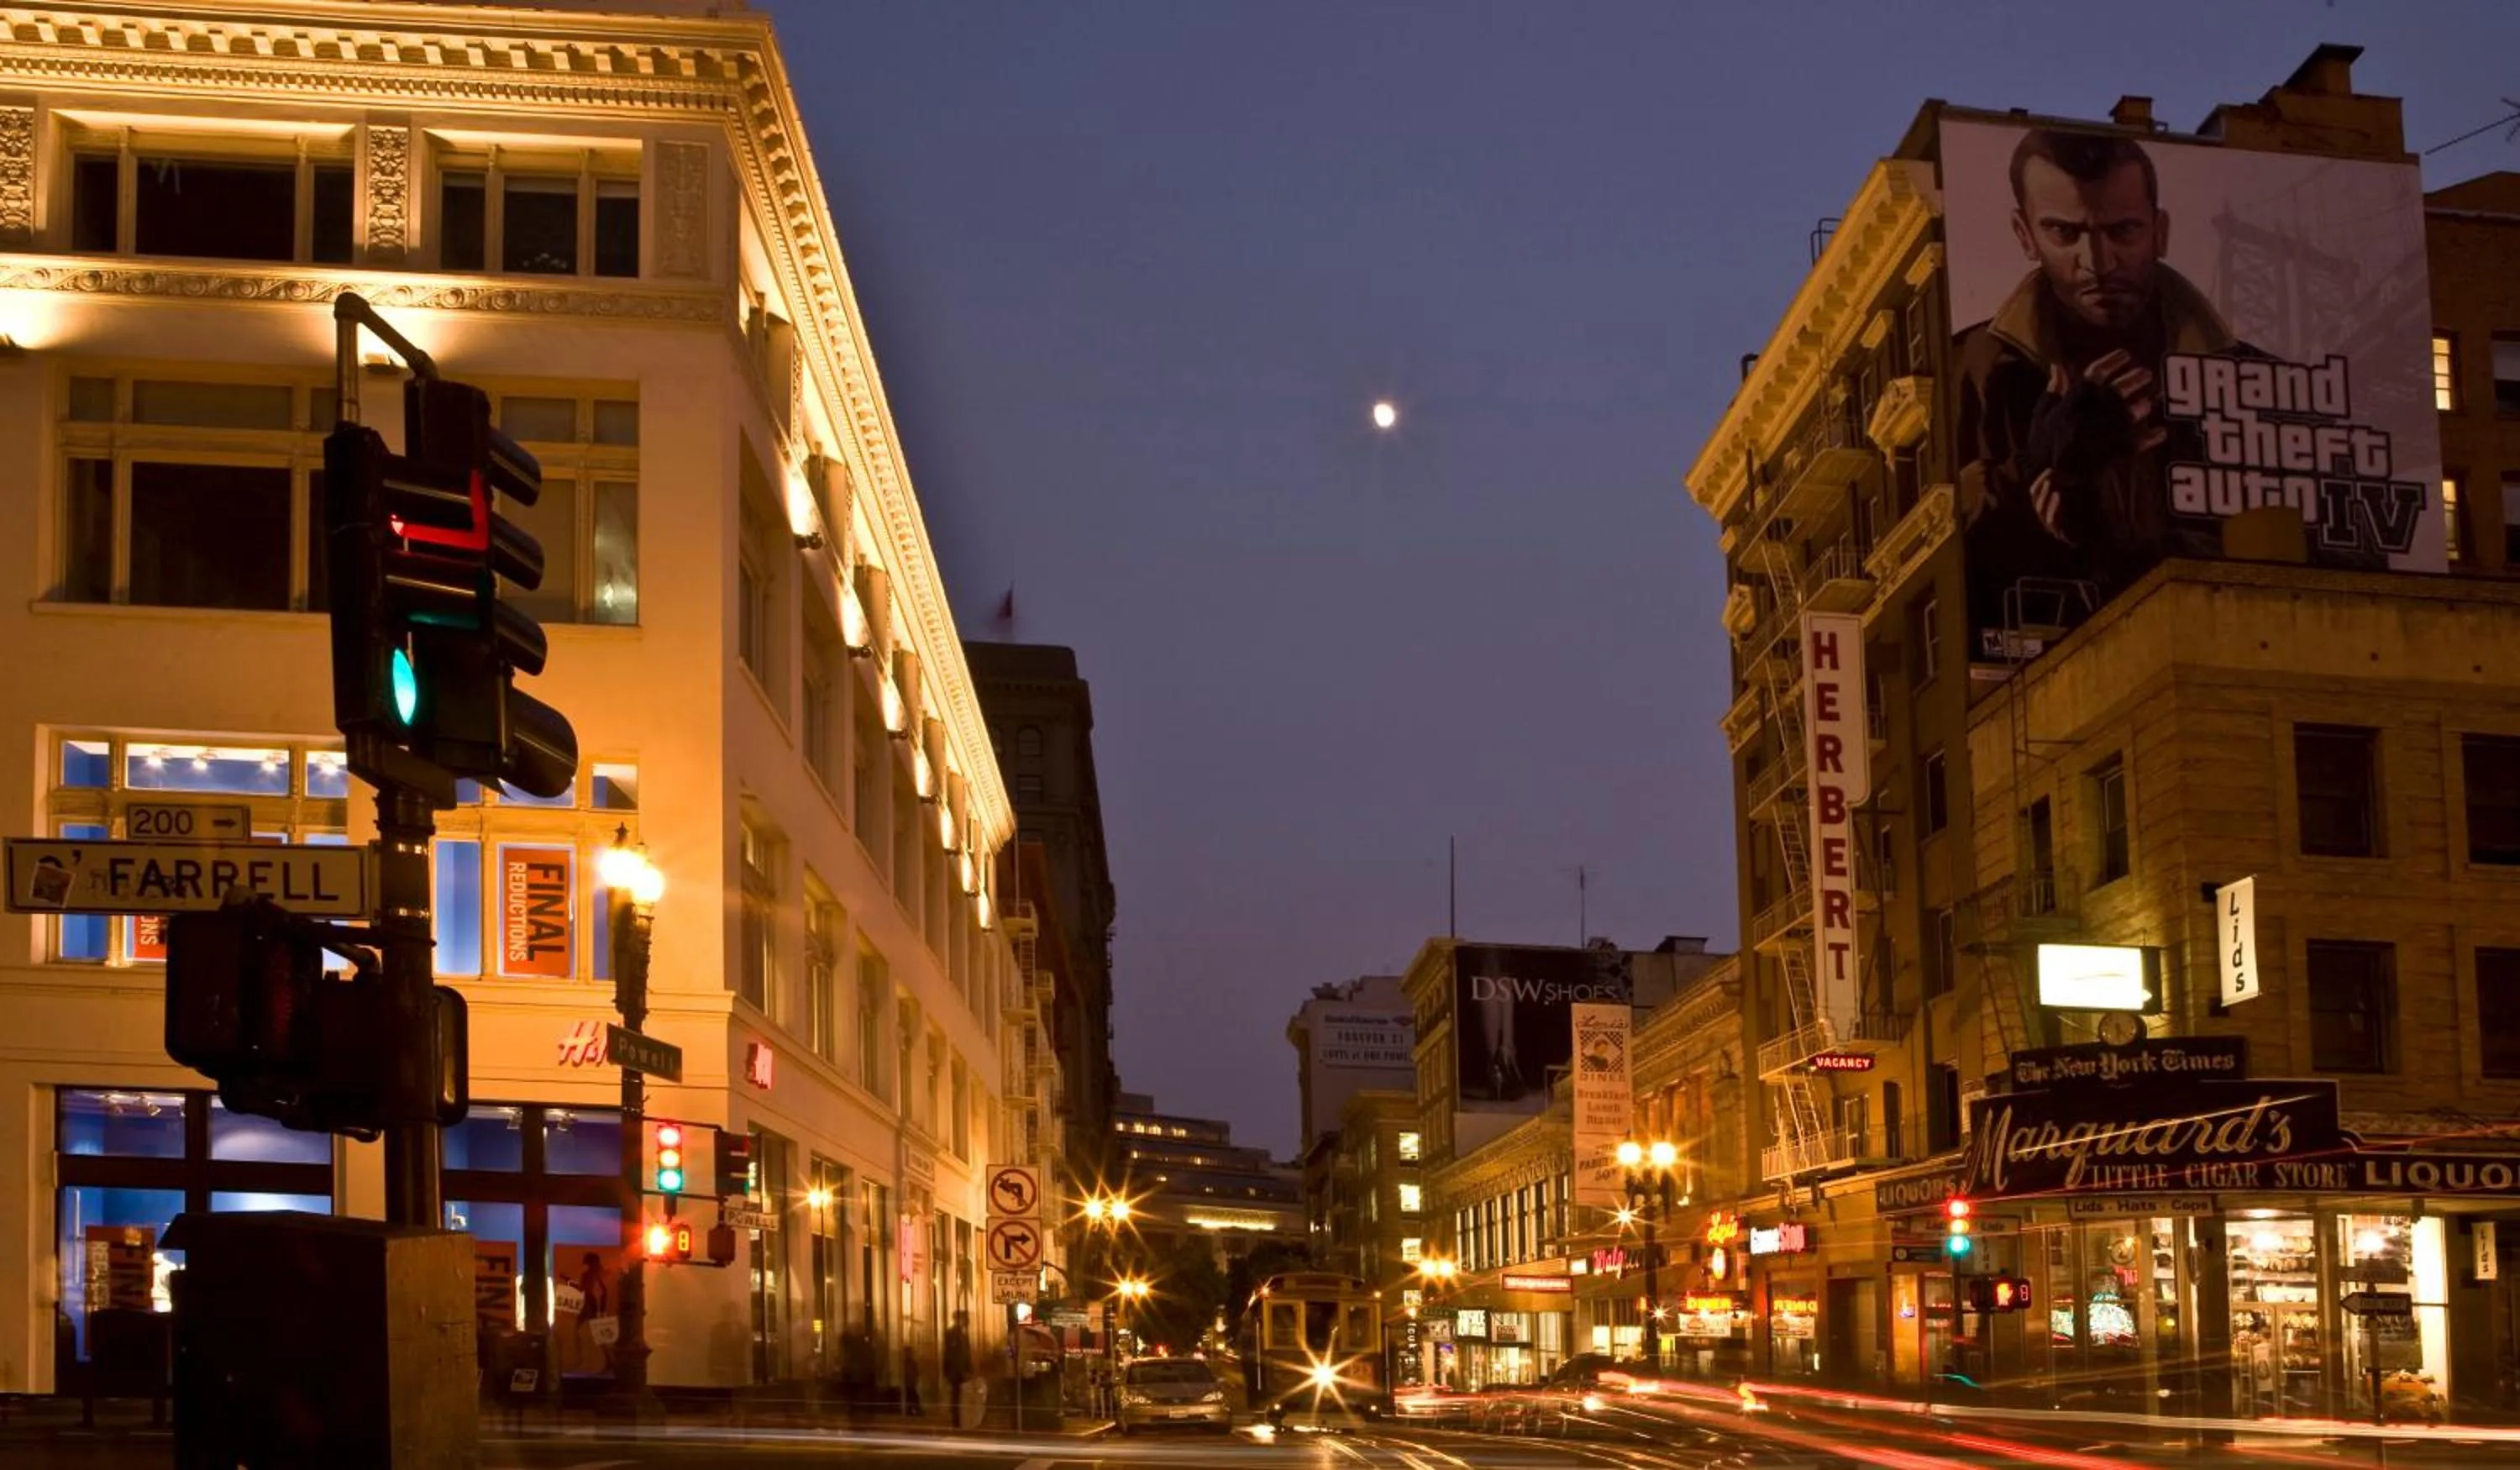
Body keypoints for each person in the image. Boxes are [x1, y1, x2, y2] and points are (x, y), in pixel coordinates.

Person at [1955, 128, 2311, 645]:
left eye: (2122, 231)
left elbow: (2347, 563)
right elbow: (1942, 555)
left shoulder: (2259, 380)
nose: (2098, 262)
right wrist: (2034, 469)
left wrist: (2129, 544)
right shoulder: (1972, 367)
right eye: (2064, 232)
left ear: (2159, 231)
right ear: (2024, 234)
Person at [942, 1310, 974, 1428]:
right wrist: (948, 1371)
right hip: (955, 1371)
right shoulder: (952, 1334)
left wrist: (969, 1369)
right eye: (965, 1319)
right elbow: (950, 1354)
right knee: (956, 1396)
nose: (968, 1321)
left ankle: (959, 1419)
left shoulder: (962, 1335)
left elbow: (966, 1354)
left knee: (959, 1395)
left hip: (960, 1371)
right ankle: (956, 1420)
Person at [900, 1340, 924, 1417]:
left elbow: (915, 1372)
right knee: (911, 1397)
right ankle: (912, 1410)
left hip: (911, 1383)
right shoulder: (907, 1363)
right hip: (909, 1383)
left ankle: (913, 1410)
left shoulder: (911, 1363)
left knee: (912, 1397)